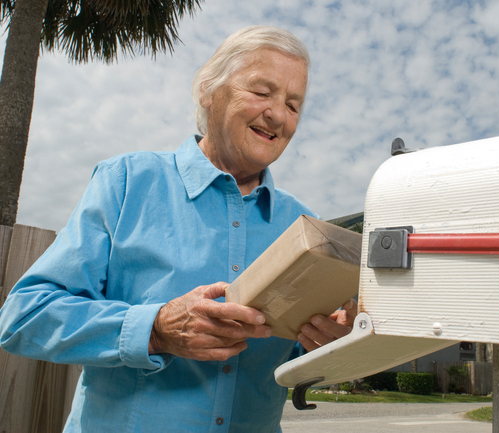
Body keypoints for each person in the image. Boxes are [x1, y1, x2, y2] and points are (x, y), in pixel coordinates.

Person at [0, 25, 356, 432]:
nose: (278, 114)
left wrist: (326, 343)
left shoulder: (305, 228)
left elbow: (297, 359)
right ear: (209, 91)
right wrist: (155, 329)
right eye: (262, 92)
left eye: (294, 105)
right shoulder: (126, 181)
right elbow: (24, 315)